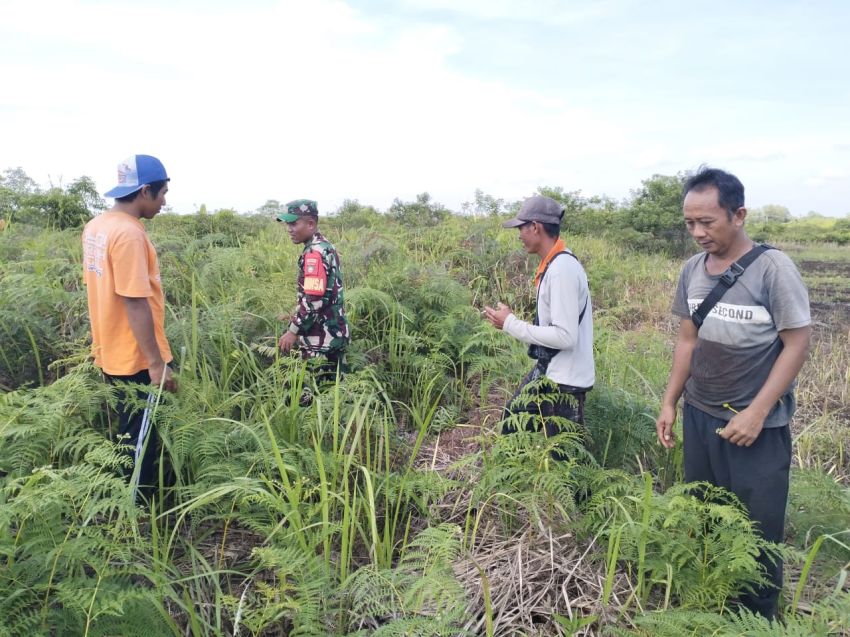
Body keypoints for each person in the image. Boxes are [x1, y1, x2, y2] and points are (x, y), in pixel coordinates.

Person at [656, 167, 811, 619]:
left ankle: (758, 621)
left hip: (755, 427)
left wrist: (757, 412)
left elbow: (797, 343)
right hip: (700, 415)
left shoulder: (772, 268)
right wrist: (670, 402)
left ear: (738, 214)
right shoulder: (692, 271)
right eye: (690, 223)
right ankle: (711, 606)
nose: (698, 232)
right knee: (705, 517)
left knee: (757, 534)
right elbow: (688, 340)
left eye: (708, 222)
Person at [82, 154, 176, 500]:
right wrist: (156, 363)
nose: (164, 201)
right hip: (136, 356)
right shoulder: (129, 235)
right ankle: (135, 517)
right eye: (162, 193)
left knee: (128, 430)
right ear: (145, 191)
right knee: (140, 440)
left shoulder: (97, 226)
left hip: (111, 349)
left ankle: (127, 497)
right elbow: (134, 300)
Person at [484, 195, 595, 454]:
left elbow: (566, 337)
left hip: (566, 381)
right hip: (551, 371)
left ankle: (568, 493)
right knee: (514, 419)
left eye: (521, 228)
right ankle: (522, 482)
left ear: (536, 227)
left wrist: (510, 323)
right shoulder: (555, 264)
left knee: (565, 459)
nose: (519, 235)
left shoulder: (562, 270)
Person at [277, 199, 350, 384]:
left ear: (310, 224)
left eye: (294, 223)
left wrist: (293, 331)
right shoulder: (325, 246)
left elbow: (313, 300)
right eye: (287, 224)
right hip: (335, 333)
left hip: (320, 340)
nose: (289, 229)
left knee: (312, 398)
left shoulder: (314, 254)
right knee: (336, 393)